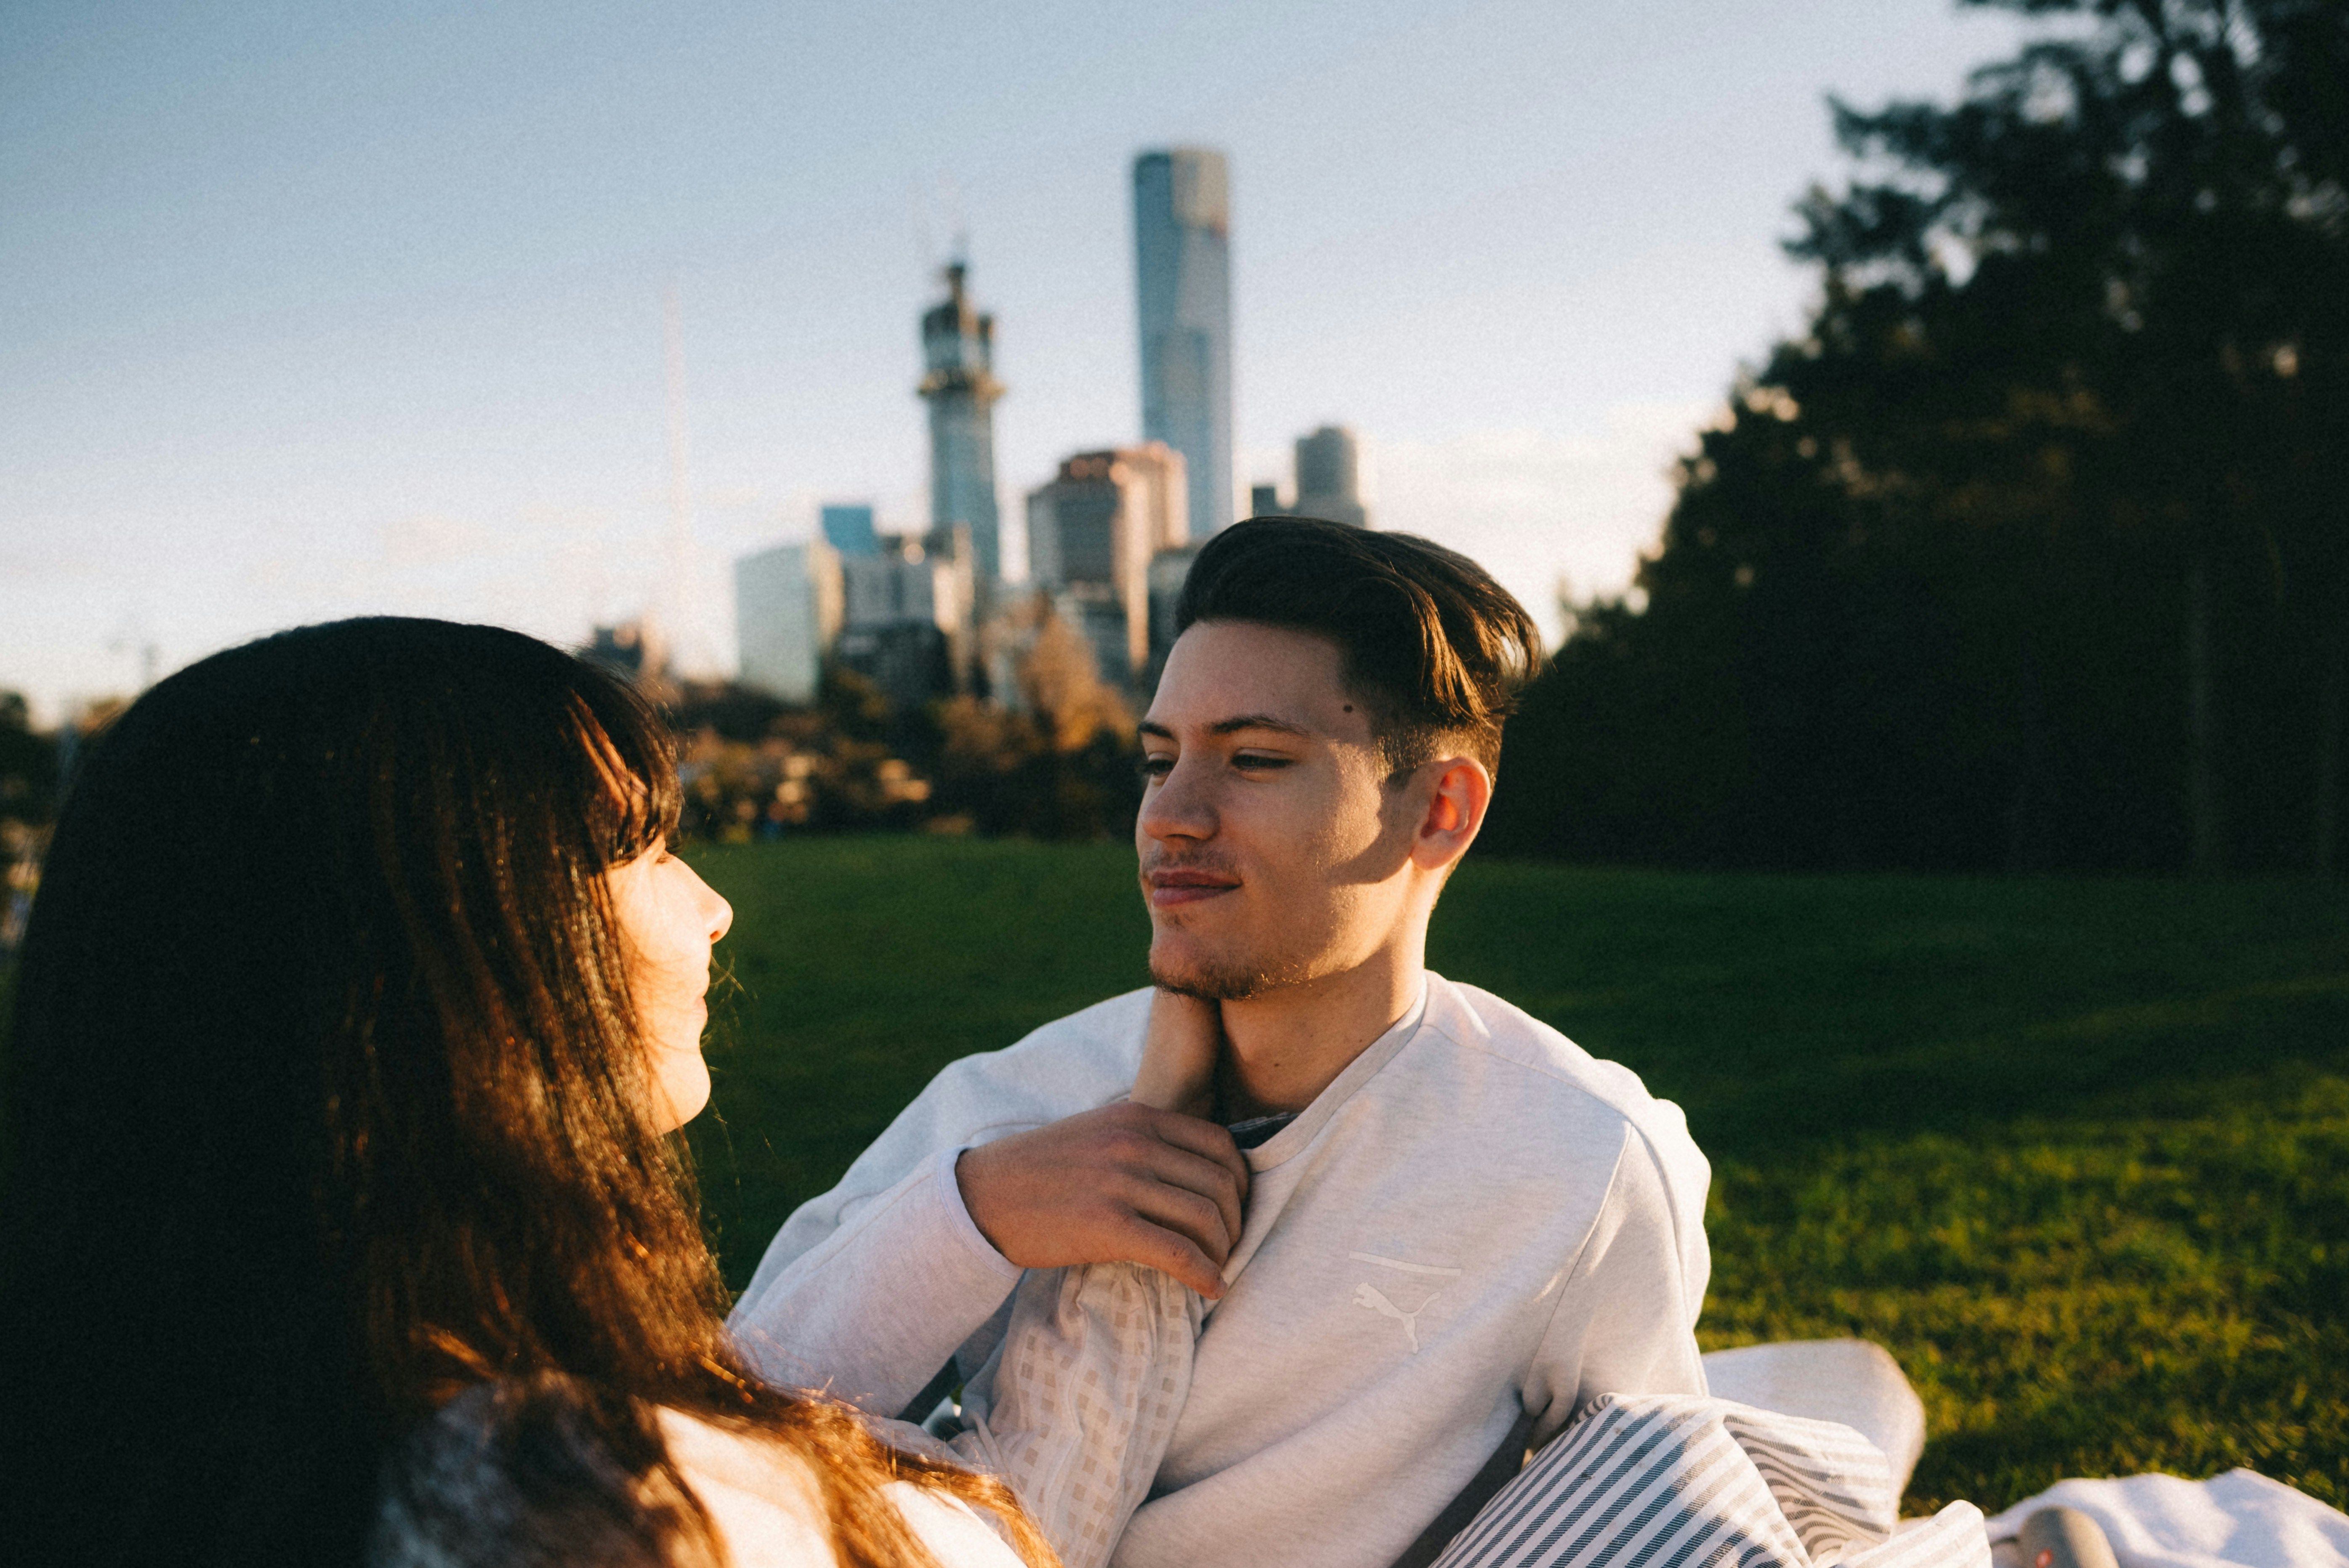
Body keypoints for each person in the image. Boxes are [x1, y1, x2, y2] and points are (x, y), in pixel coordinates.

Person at [0, 617, 1207, 1568]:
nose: (712, 907)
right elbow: (993, 1535)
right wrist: (1152, 1164)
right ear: (449, 956)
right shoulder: (570, 1509)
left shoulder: (204, 1420)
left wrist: (969, 1215)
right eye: (644, 848)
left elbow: (730, 1414)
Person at [729, 518, 1714, 1568]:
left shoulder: (1574, 1162)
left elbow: (1657, 1520)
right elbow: (715, 1431)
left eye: (1252, 759)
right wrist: (977, 1215)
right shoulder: (1014, 1107)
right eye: (1159, 761)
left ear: (1438, 809)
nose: (1171, 816)